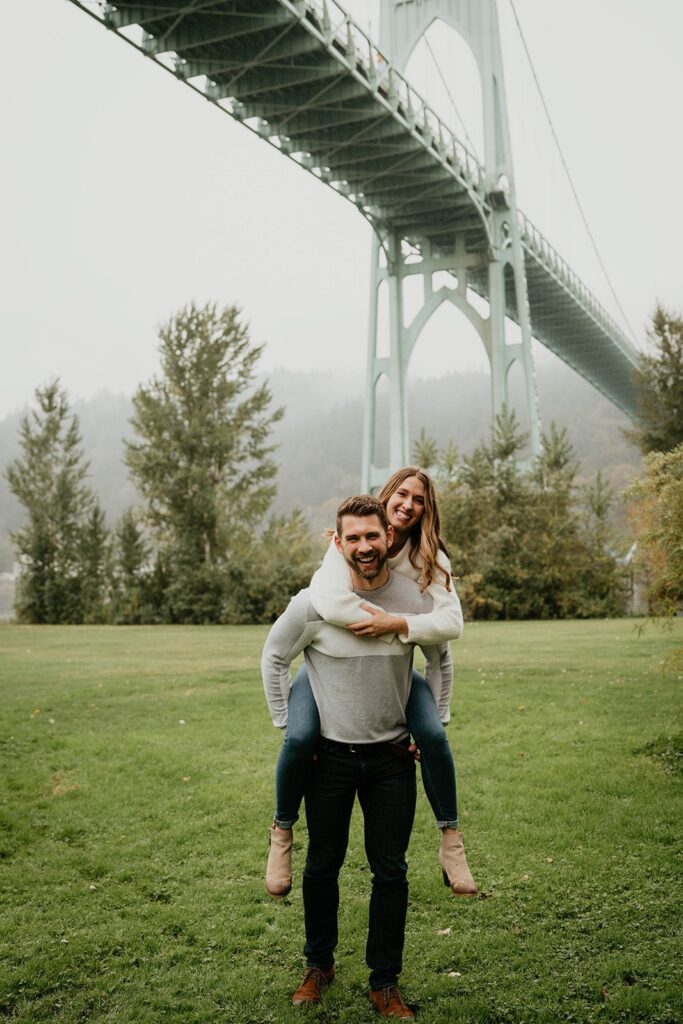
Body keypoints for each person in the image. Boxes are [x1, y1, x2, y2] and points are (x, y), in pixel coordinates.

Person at [262, 495, 439, 1017]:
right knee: (322, 866)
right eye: (353, 538)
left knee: (391, 873)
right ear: (338, 543)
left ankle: (385, 982)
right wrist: (286, 724)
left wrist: (434, 723)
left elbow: (441, 657)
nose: (365, 546)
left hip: (391, 760)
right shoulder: (314, 602)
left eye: (373, 535)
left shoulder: (411, 596)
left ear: (388, 535)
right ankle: (318, 966)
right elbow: (274, 655)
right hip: (330, 761)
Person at [266, 467, 476, 900]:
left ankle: (451, 839)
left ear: (426, 509)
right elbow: (324, 600)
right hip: (326, 667)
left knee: (434, 735)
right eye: (402, 494)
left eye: (419, 499)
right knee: (300, 735)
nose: (408, 505)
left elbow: (449, 627)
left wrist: (396, 623)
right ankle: (281, 831)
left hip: (398, 662)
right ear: (386, 498)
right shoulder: (347, 541)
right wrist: (368, 621)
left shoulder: (428, 558)